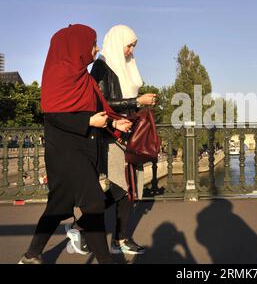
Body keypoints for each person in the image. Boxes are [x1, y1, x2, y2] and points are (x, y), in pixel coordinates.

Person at [19, 24, 131, 264]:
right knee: (93, 204)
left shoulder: (83, 78)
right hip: (66, 153)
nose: (96, 47)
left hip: (83, 150)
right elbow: (53, 114)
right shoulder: (58, 73)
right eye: (92, 43)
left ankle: (31, 255)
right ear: (76, 45)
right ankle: (106, 260)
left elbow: (98, 111)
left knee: (57, 208)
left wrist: (114, 124)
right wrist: (89, 120)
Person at [90, 25, 157, 255]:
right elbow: (100, 103)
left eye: (133, 46)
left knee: (130, 190)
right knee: (120, 189)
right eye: (128, 45)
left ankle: (120, 238)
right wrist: (137, 102)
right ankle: (85, 227)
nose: (130, 51)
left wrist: (138, 105)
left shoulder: (122, 65)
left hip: (130, 135)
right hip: (112, 137)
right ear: (118, 43)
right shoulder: (100, 67)